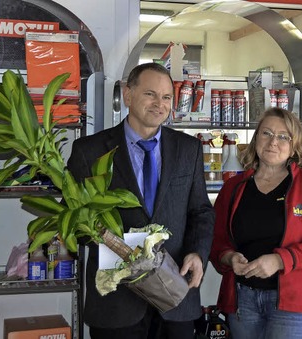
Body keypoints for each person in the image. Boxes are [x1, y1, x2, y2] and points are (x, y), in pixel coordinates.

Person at [67, 62, 215, 339]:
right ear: (127, 95)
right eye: (150, 94)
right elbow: (74, 222)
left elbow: (201, 212)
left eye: (166, 97)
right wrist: (116, 244)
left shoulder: (189, 148)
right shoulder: (89, 151)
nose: (159, 104)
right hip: (116, 303)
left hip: (175, 298)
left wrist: (198, 253)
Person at [209, 107, 302, 339]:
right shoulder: (234, 187)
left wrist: (280, 260)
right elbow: (216, 240)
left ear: (294, 146)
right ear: (256, 138)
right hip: (243, 300)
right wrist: (229, 257)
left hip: (293, 304)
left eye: (283, 137)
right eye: (266, 133)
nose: (273, 142)